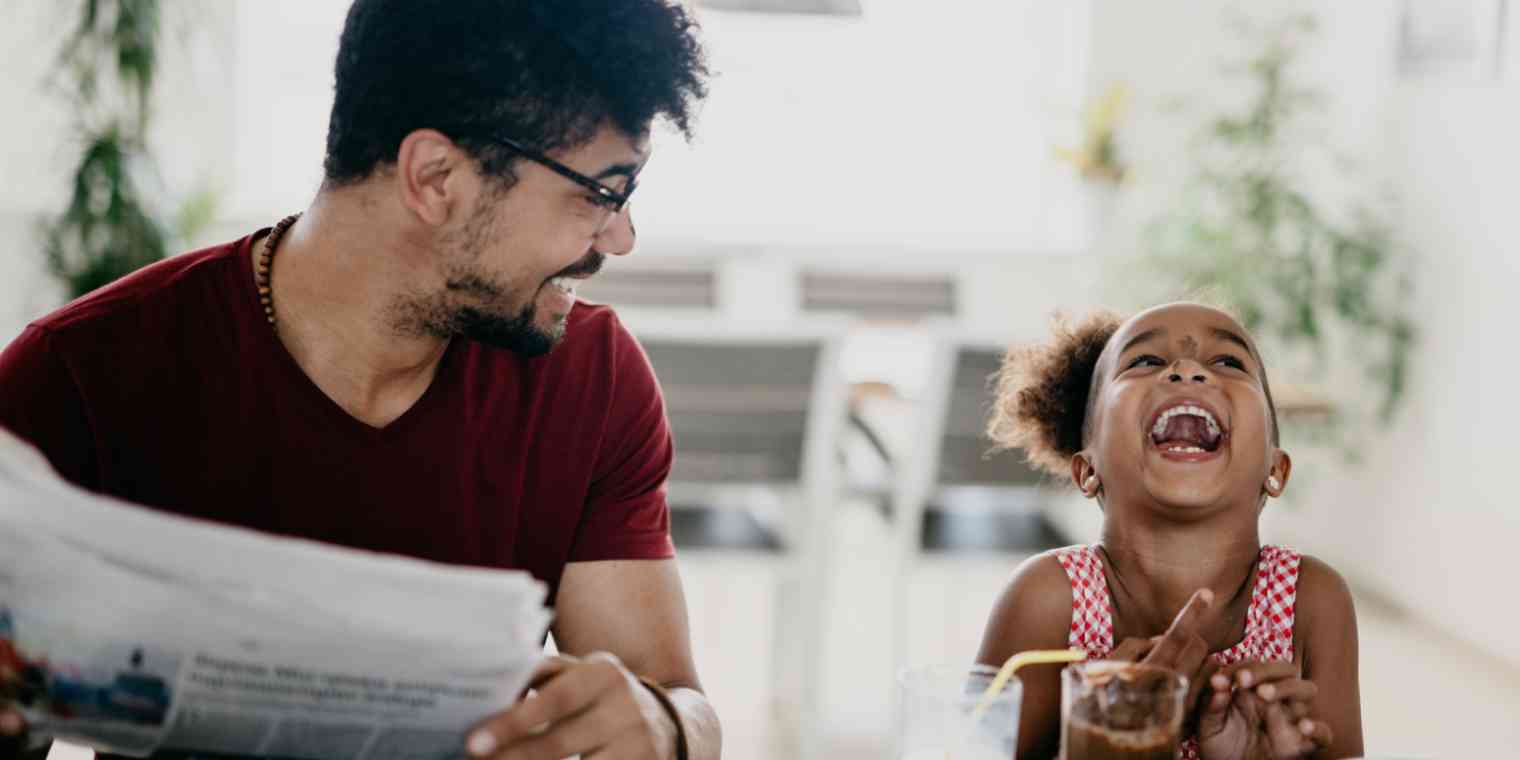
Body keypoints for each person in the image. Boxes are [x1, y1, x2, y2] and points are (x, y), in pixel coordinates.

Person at [0, 0, 718, 758]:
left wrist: (668, 725)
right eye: (603, 193)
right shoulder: (80, 375)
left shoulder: (593, 375)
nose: (621, 238)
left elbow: (675, 695)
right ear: (436, 177)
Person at [976, 303, 1363, 759]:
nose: (1187, 369)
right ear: (1087, 468)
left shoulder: (1311, 601)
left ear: (1274, 469)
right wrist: (1094, 746)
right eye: (1144, 361)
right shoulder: (1046, 599)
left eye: (1228, 362)